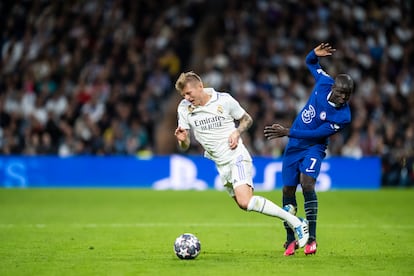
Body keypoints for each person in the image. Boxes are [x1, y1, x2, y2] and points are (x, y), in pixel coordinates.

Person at [174, 71, 309, 248]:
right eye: (183, 95)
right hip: (220, 164)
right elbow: (184, 145)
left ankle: (298, 223)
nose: (186, 97)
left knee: (246, 200)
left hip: (236, 155)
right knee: (243, 205)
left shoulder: (224, 100)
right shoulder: (184, 108)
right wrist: (183, 141)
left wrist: (237, 132)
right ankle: (291, 216)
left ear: (200, 86)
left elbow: (247, 119)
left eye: (189, 93)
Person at [264, 42, 354, 256]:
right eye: (341, 93)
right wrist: (314, 53)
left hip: (314, 146)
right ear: (333, 87)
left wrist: (287, 132)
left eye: (348, 95)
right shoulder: (324, 82)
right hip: (294, 146)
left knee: (307, 184)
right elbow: (310, 62)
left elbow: (317, 134)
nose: (344, 98)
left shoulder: (343, 116)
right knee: (287, 190)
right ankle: (290, 239)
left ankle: (312, 238)